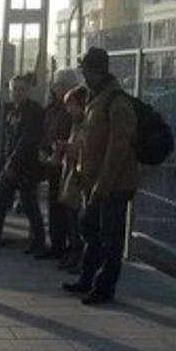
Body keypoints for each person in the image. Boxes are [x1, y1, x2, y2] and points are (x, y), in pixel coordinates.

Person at [63, 47, 139, 305]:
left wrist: (102, 187)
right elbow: (90, 140)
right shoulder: (96, 98)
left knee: (110, 239)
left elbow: (117, 151)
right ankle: (87, 279)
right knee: (92, 234)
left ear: (93, 71)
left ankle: (104, 287)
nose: (82, 74)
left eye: (84, 69)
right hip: (93, 182)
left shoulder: (117, 102)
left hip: (113, 186)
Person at [0, 73, 47, 254]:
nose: (18, 93)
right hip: (13, 163)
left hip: (23, 165)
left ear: (28, 91)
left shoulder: (33, 111)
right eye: (15, 90)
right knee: (15, 203)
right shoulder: (12, 110)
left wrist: (11, 164)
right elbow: (10, 138)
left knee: (19, 204)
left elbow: (27, 141)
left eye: (22, 90)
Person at [40, 68, 81, 260]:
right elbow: (45, 129)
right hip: (52, 160)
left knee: (66, 208)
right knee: (54, 205)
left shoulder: (72, 109)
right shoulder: (52, 108)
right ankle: (56, 244)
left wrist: (60, 148)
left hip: (66, 163)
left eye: (57, 85)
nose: (54, 88)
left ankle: (69, 247)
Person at [55, 86, 92, 272]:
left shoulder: (86, 124)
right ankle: (73, 252)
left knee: (76, 217)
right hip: (70, 171)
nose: (69, 110)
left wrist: (64, 146)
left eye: (72, 105)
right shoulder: (75, 123)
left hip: (78, 175)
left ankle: (78, 255)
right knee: (70, 215)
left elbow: (80, 148)